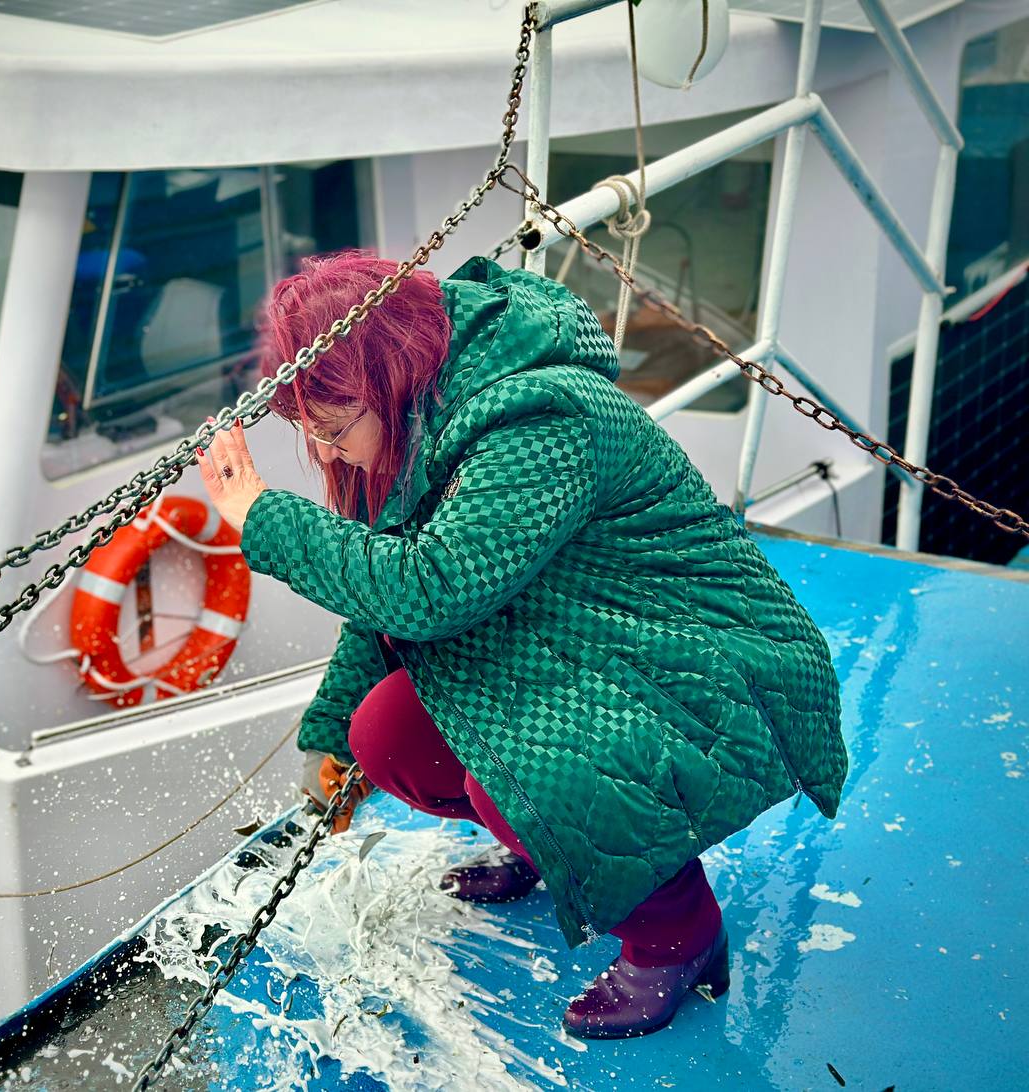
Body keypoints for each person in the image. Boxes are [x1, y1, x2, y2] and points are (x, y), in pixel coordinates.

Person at [193, 250, 848, 1039]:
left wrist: (262, 519)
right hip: (585, 638)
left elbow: (431, 588)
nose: (327, 455)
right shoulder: (420, 418)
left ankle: (679, 936)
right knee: (385, 735)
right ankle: (550, 851)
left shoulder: (538, 417)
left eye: (332, 432)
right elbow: (383, 606)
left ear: (388, 380)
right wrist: (331, 736)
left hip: (697, 655)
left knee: (522, 778)